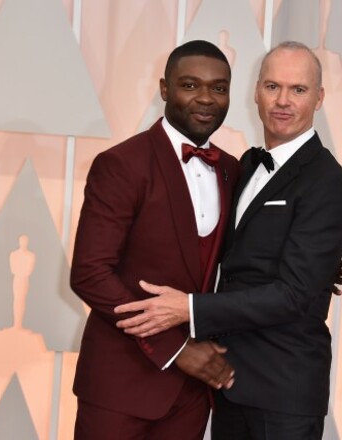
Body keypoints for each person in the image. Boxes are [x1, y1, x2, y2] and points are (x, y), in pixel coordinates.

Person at [115, 41, 342, 440]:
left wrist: (188, 308)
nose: (283, 101)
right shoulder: (243, 166)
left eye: (298, 90)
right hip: (228, 384)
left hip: (283, 393)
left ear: (319, 98)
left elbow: (293, 295)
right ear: (256, 93)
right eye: (273, 87)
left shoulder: (328, 183)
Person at [69, 40, 241, 440]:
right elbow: (89, 273)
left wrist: (319, 266)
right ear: (165, 89)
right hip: (120, 385)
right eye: (190, 85)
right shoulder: (122, 165)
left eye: (218, 88)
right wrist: (179, 351)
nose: (205, 98)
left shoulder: (233, 171)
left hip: (193, 395)